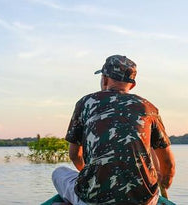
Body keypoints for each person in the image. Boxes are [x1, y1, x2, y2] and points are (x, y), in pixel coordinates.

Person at [52, 55, 175, 205]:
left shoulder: (85, 103)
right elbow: (168, 163)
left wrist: (92, 176)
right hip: (144, 201)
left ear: (104, 79)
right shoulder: (149, 108)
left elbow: (74, 155)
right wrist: (164, 182)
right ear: (132, 85)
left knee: (59, 172)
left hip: (93, 200)